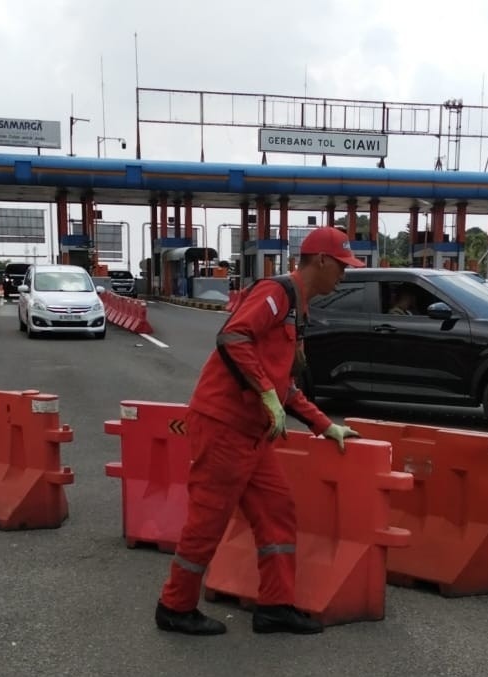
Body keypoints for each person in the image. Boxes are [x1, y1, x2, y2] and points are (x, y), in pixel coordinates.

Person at [155, 226, 364, 636]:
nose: (344, 275)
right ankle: (174, 606)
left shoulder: (297, 309)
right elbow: (233, 337)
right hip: (224, 426)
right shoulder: (276, 292)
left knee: (277, 512)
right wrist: (267, 394)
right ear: (320, 261)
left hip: (253, 434)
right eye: (341, 266)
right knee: (208, 521)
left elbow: (282, 381)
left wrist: (325, 425)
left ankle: (275, 607)